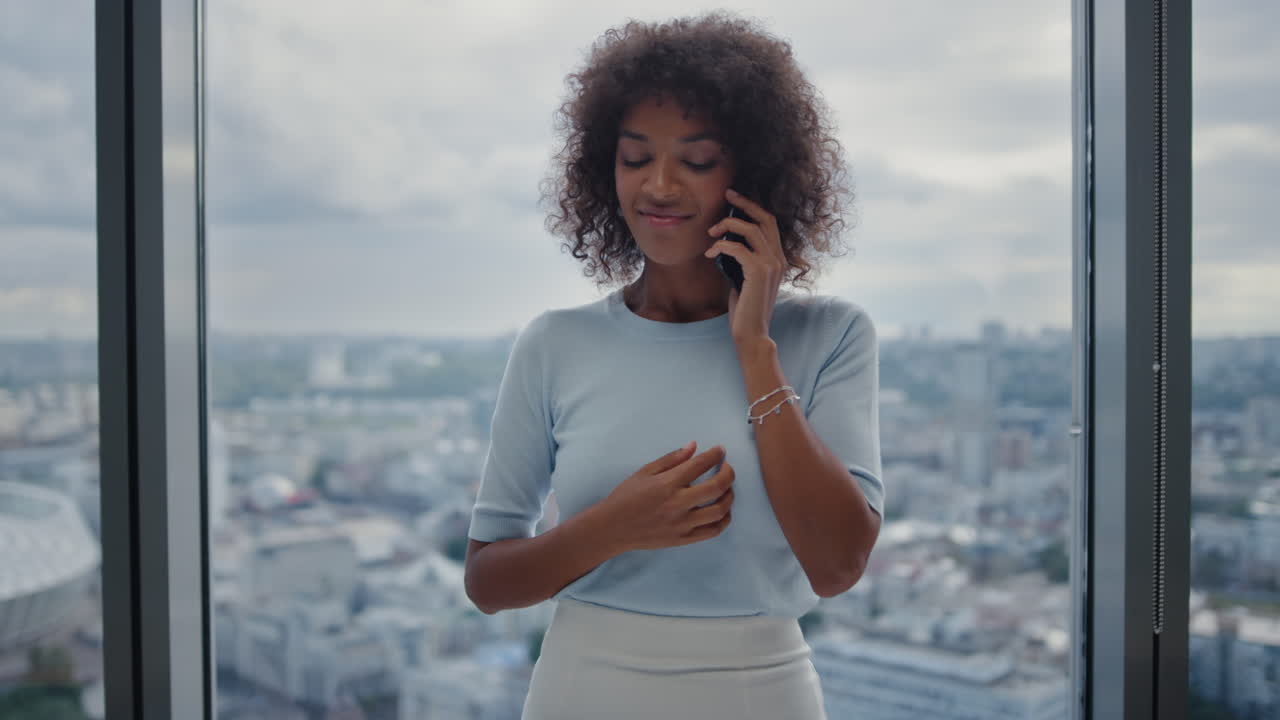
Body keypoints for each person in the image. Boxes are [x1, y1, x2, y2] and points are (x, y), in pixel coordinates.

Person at [463, 10, 883, 719]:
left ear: (754, 174)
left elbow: (838, 566)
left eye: (695, 160)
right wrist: (613, 526)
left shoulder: (831, 335)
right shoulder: (555, 344)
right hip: (581, 688)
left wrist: (754, 348)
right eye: (635, 159)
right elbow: (488, 582)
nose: (659, 186)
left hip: (760, 692)